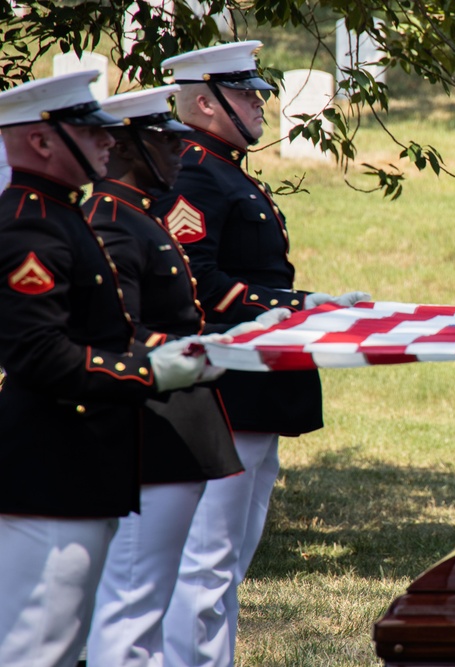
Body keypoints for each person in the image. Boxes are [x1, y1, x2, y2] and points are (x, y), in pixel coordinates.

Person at [151, 41, 370, 667]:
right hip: (220, 389)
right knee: (206, 564)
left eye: (257, 92)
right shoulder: (194, 170)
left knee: (229, 561)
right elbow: (191, 276)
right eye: (245, 94)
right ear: (203, 102)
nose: (259, 104)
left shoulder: (224, 170)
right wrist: (283, 306)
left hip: (253, 392)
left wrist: (301, 302)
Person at [0, 71, 218, 667]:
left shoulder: (60, 213)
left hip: (79, 465)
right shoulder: (30, 223)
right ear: (42, 142)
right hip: (50, 465)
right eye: (89, 131)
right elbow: (39, 353)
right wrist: (147, 374)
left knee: (63, 643)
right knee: (37, 648)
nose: (107, 142)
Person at [84, 85, 272, 667]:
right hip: (151, 422)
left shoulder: (137, 216)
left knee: (173, 586)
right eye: (163, 141)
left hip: (184, 416)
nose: (176, 151)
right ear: (126, 148)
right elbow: (118, 330)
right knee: (140, 597)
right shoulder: (113, 220)